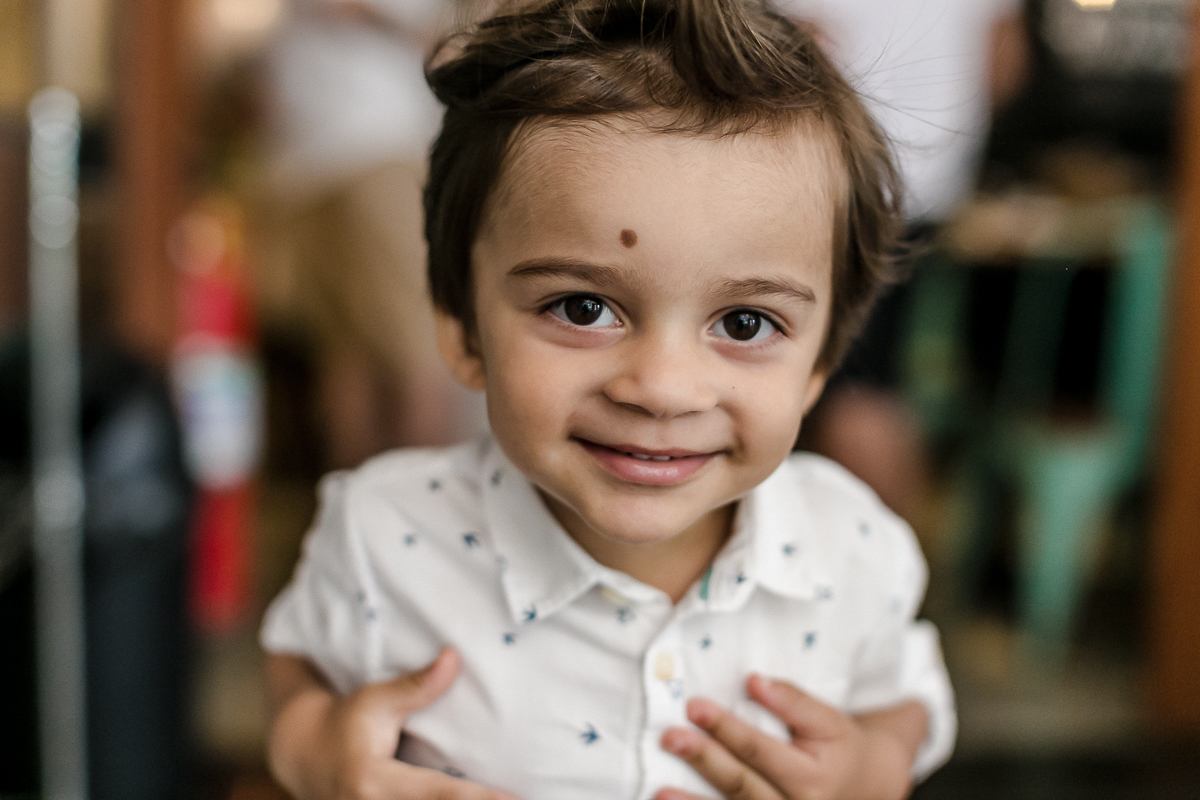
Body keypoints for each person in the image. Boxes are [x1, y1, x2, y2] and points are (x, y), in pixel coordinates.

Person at [261, 1, 956, 798]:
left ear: (820, 363)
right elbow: (299, 669)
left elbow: (903, 699)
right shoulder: (384, 538)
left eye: (745, 322)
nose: (661, 388)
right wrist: (318, 750)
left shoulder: (852, 547)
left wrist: (872, 766)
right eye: (583, 308)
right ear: (461, 328)